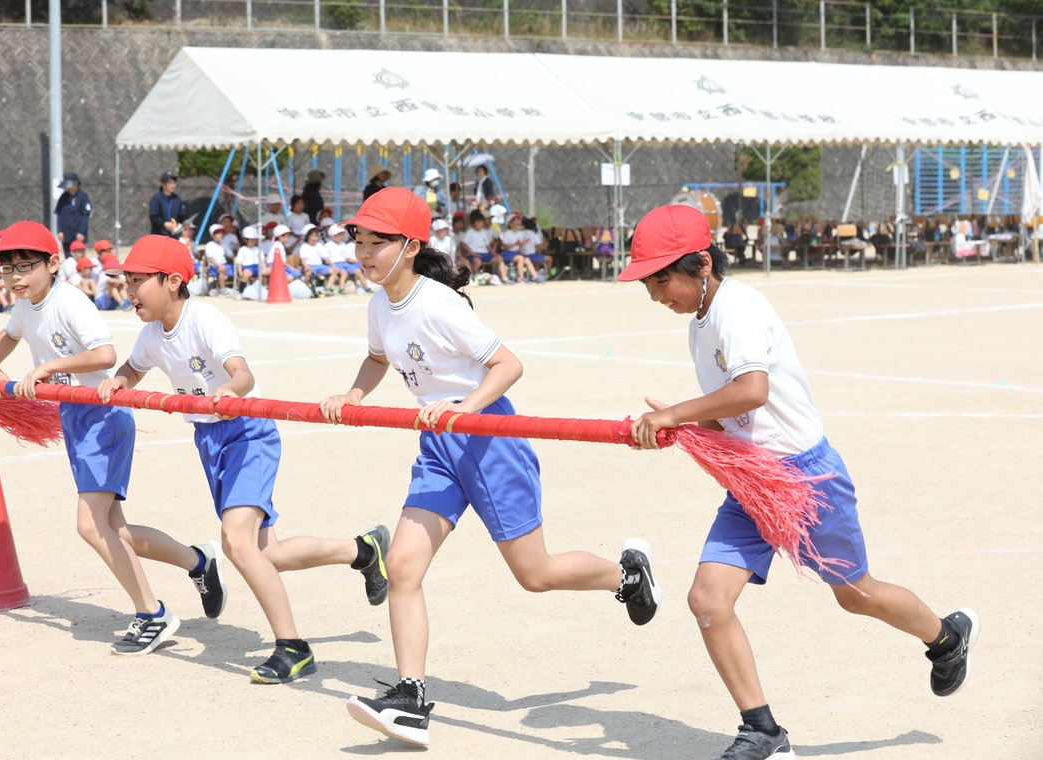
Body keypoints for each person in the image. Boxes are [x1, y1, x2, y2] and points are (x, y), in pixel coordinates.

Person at [619, 204, 979, 760]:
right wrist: (684, 426)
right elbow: (734, 415)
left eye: (662, 278)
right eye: (648, 281)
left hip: (808, 478)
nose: (655, 293)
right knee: (708, 600)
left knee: (856, 596)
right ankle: (762, 730)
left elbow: (752, 392)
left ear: (704, 265)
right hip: (754, 478)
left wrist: (674, 415)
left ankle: (946, 639)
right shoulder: (700, 322)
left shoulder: (736, 309)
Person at [320, 188, 660, 747]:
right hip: (438, 445)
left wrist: (465, 408)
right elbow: (379, 357)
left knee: (536, 575)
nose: (363, 253)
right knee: (403, 567)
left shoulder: (437, 304)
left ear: (409, 246)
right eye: (359, 241)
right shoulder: (381, 304)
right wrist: (353, 394)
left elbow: (508, 364)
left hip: (489, 439)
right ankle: (410, 698)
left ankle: (627, 575)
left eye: (375, 243)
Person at [97, 234, 391, 683]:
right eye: (127, 281)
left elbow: (243, 373)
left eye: (139, 281)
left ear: (173, 281)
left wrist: (228, 392)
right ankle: (362, 550)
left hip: (248, 432)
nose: (129, 290)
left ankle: (293, 647)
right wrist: (119, 381)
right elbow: (134, 368)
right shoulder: (151, 334)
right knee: (265, 553)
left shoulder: (204, 319)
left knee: (236, 540)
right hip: (209, 439)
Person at [0, 220, 226, 656]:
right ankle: (198, 560)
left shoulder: (69, 301)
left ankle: (153, 613)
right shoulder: (24, 305)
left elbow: (106, 355)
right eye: (7, 268)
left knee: (90, 525)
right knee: (116, 530)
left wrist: (50, 368)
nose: (15, 277)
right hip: (75, 415)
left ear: (52, 264)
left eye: (25, 266)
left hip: (103, 416)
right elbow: (10, 333)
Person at [55, 171, 92, 258]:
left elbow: (85, 216)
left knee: (79, 258)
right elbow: (59, 214)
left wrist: (81, 232)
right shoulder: (63, 197)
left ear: (76, 184)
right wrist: (59, 231)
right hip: (66, 235)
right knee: (69, 258)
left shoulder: (83, 196)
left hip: (78, 235)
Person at [148, 170, 187, 237]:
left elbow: (182, 215)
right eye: (170, 183)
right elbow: (153, 217)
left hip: (174, 235)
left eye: (174, 183)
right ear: (162, 184)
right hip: (159, 235)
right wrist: (164, 224)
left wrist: (181, 224)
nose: (173, 185)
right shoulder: (156, 199)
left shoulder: (177, 199)